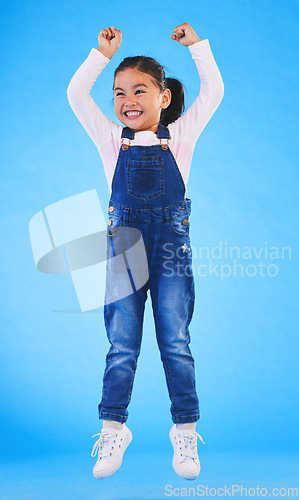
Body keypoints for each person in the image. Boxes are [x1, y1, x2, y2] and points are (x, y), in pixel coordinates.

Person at [67, 22, 224, 480]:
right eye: (119, 93)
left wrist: (198, 48)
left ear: (164, 98)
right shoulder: (109, 141)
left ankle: (185, 433)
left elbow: (212, 91)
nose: (127, 101)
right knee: (122, 345)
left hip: (171, 250)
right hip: (125, 252)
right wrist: (100, 56)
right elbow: (78, 96)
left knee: (175, 342)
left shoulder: (183, 138)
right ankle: (113, 429)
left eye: (140, 90)